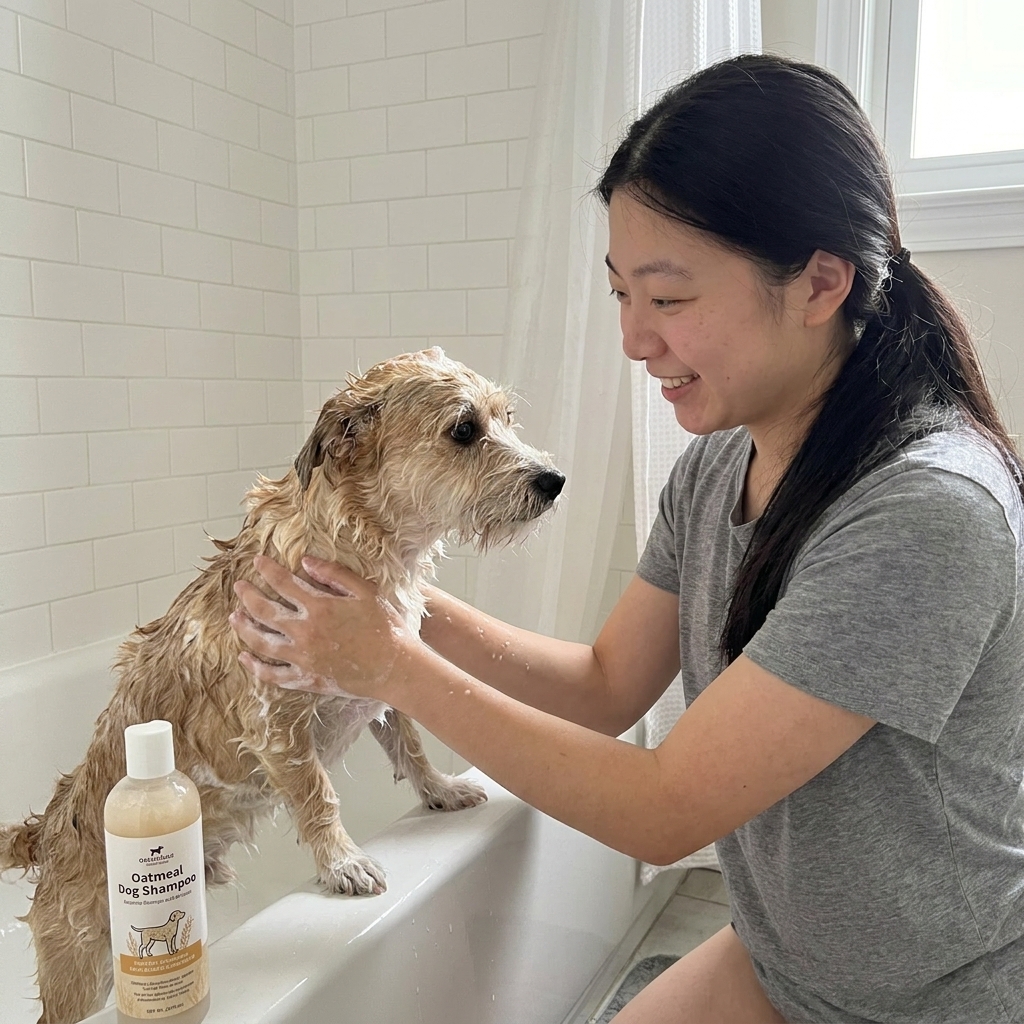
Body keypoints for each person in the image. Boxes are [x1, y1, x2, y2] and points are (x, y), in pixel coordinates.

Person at [228, 53, 1024, 1024]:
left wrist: (389, 666)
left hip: (941, 1001)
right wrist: (398, 602)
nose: (634, 339)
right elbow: (604, 686)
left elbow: (664, 805)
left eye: (670, 297)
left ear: (820, 283)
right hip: (787, 966)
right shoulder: (716, 468)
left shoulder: (924, 511)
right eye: (619, 295)